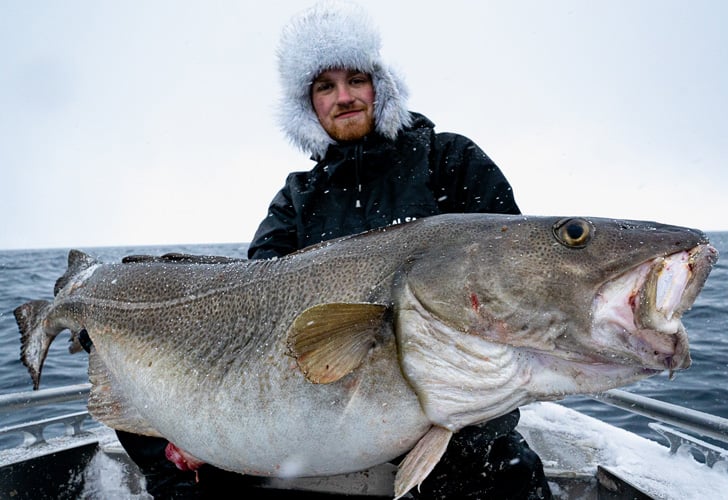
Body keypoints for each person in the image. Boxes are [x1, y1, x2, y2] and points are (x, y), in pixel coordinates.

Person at [117, 2, 552, 498]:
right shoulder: (297, 198)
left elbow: (516, 278)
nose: (343, 97)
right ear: (309, 105)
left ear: (380, 86)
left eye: (356, 79)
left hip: (460, 415)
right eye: (325, 87)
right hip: (333, 410)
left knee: (505, 473)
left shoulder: (450, 161)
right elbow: (259, 300)